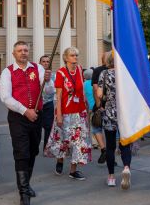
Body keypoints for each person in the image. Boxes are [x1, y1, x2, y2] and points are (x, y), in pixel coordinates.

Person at [0, 41, 51, 205]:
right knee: (21, 152)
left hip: (37, 116)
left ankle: (26, 184)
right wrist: (24, 111)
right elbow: (6, 97)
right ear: (13, 53)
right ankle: (24, 194)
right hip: (18, 118)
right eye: (20, 50)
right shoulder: (8, 72)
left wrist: (49, 81)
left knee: (33, 151)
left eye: (26, 50)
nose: (23, 53)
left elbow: (49, 91)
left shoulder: (38, 69)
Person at [44, 47, 92, 180]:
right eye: (72, 55)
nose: (75, 58)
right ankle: (60, 160)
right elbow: (58, 97)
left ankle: (73, 170)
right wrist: (59, 114)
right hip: (65, 112)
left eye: (76, 55)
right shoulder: (61, 73)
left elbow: (81, 90)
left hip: (79, 112)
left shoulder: (80, 70)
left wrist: (86, 104)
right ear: (66, 58)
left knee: (79, 141)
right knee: (63, 140)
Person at [97, 52, 132, 188]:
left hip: (110, 113)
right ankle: (126, 167)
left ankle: (111, 177)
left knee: (110, 147)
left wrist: (104, 99)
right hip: (125, 113)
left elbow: (99, 94)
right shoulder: (126, 74)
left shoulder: (104, 74)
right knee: (125, 144)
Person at [84, 68, 105, 162]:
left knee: (91, 125)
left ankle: (93, 143)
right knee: (97, 124)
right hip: (96, 105)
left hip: (88, 106)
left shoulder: (84, 84)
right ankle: (97, 143)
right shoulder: (94, 83)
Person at [38, 55, 56, 150]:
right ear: (40, 63)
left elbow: (56, 90)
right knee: (36, 127)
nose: (45, 63)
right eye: (43, 61)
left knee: (48, 126)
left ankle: (46, 147)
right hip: (37, 104)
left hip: (48, 104)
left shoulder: (54, 76)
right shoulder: (36, 74)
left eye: (47, 61)